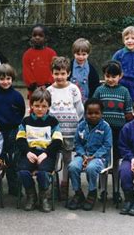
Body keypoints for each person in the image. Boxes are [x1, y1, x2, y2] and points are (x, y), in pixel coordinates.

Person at [92, 60, 133, 204]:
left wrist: (129, 129)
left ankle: (116, 190)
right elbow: (93, 111)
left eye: (114, 76)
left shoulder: (124, 92)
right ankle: (103, 190)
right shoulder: (99, 90)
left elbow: (128, 113)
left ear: (120, 76)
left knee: (116, 161)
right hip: (102, 131)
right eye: (108, 76)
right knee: (103, 160)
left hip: (119, 131)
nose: (110, 79)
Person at [47, 56, 84, 200]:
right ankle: (53, 184)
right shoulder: (49, 91)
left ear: (68, 73)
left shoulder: (73, 89)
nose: (60, 76)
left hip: (70, 133)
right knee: (54, 158)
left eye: (63, 73)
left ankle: (64, 184)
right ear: (52, 73)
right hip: (55, 134)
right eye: (56, 73)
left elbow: (79, 109)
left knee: (67, 159)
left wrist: (75, 123)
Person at [0, 63, 26, 196]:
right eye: (2, 79)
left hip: (12, 131)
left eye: (8, 79)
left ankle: (14, 187)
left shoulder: (17, 96)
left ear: (12, 79)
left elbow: (21, 112)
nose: (5, 82)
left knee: (12, 160)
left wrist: (14, 124)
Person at [67, 98, 112, 211]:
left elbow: (107, 145)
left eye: (96, 113)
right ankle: (78, 193)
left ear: (102, 113)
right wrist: (82, 155)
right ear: (85, 113)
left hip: (99, 158)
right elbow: (77, 143)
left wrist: (94, 156)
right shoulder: (81, 126)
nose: (93, 116)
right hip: (83, 156)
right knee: (72, 166)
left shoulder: (105, 127)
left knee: (91, 168)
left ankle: (92, 192)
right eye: (90, 113)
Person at [22, 24, 57, 100]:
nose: (37, 37)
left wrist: (48, 85)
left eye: (40, 35)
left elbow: (54, 69)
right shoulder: (27, 54)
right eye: (34, 35)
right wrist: (34, 86)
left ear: (46, 38)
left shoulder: (52, 53)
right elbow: (26, 71)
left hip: (49, 89)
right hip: (34, 90)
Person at [68, 38, 100, 103]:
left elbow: (95, 86)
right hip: (70, 101)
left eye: (84, 54)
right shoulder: (68, 66)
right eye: (78, 54)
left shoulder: (91, 69)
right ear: (73, 53)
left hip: (85, 101)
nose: (81, 57)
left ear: (88, 54)